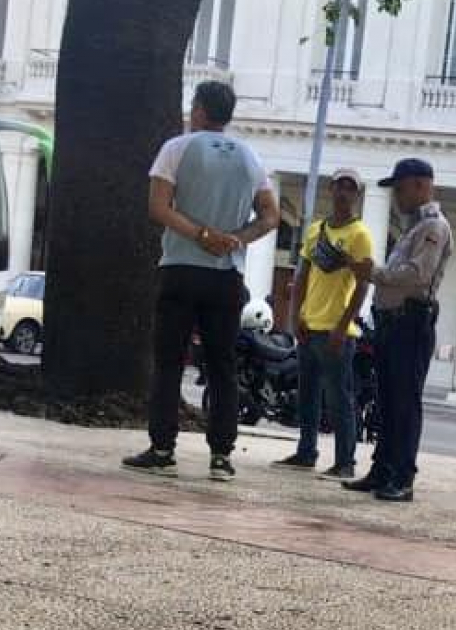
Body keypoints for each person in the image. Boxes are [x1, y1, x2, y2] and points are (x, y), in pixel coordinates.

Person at [123, 81, 280, 481]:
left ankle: (162, 448)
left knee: (169, 361)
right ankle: (222, 456)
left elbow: (158, 207)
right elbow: (270, 215)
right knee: (222, 364)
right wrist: (236, 239)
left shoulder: (176, 149)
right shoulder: (250, 158)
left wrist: (199, 235)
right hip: (227, 274)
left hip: (180, 267)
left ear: (197, 110)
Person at [342, 158, 451, 502]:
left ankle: (402, 476)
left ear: (421, 185)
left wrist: (373, 273)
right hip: (393, 322)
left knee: (404, 401)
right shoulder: (414, 227)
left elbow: (417, 274)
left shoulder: (433, 228)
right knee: (386, 401)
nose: (397, 197)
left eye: (401, 189)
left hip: (411, 321)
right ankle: (382, 470)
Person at [272, 168, 372, 480]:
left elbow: (363, 283)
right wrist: (295, 317)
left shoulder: (359, 235)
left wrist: (343, 326)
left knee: (339, 397)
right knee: (308, 394)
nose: (343, 193)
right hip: (308, 325)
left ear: (356, 195)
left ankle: (345, 461)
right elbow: (301, 276)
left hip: (335, 331)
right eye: (338, 186)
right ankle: (306, 451)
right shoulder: (316, 230)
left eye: (349, 188)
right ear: (330, 190)